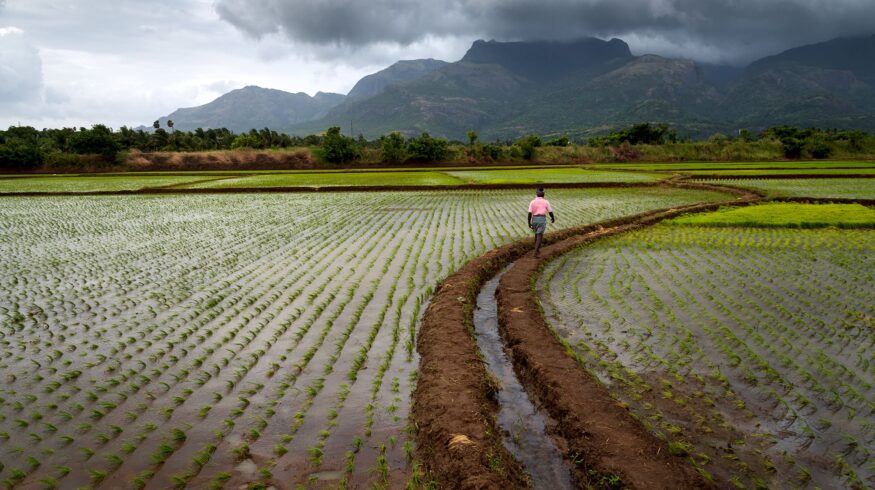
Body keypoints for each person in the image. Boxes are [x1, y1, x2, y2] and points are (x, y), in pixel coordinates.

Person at [527, 187, 555, 258]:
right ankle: (535, 252)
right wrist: (552, 218)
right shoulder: (546, 202)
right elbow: (550, 212)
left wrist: (529, 223)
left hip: (534, 219)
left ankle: (537, 250)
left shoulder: (532, 202)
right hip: (542, 219)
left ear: (536, 195)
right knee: (540, 236)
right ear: (543, 195)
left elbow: (529, 213)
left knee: (536, 234)